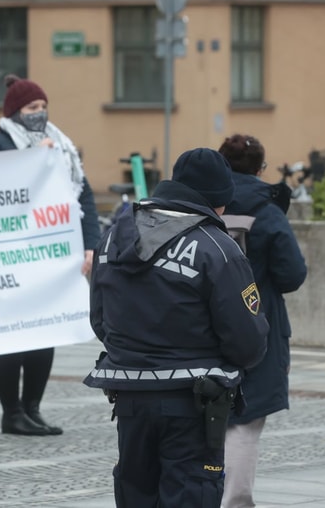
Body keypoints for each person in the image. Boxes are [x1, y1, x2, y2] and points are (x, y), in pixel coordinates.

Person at [84, 147, 269, 507]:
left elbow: (100, 319)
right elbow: (247, 342)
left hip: (130, 397)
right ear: (217, 200)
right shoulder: (217, 248)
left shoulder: (113, 238)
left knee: (136, 493)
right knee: (191, 493)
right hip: (193, 403)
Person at [0, 74, 101, 436]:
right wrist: (34, 160)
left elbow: (84, 197)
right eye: (32, 108)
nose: (39, 113)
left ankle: (33, 408)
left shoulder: (62, 147)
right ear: (15, 112)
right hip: (10, 257)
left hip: (50, 258)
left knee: (46, 332)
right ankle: (10, 412)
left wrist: (89, 245)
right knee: (11, 334)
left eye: (43, 107)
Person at [218, 134, 307, 508]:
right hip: (257, 323)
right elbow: (291, 275)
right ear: (260, 169)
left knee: (199, 420)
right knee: (245, 422)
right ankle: (234, 502)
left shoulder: (203, 205)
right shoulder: (267, 211)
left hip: (201, 323)